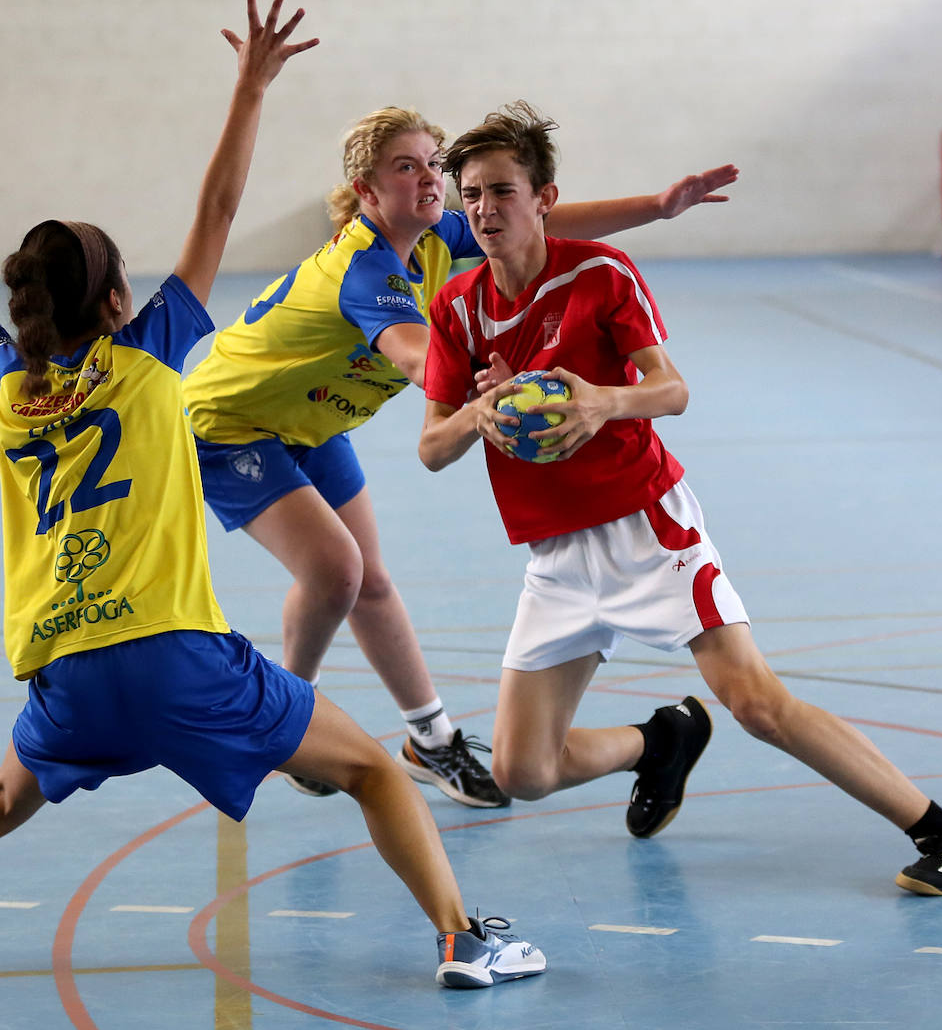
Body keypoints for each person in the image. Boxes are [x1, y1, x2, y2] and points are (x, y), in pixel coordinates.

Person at [0, 0, 546, 992]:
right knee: (368, 767)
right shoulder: (150, 355)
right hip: (173, 656)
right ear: (116, 302)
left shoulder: (10, 385)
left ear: (26, 310)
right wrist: (250, 85)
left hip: (65, 672)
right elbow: (219, 210)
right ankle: (462, 937)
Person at [417, 101, 942, 896]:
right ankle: (660, 741)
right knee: (522, 769)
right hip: (554, 554)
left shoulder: (599, 274)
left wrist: (600, 400)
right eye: (472, 194)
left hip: (645, 526)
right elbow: (431, 446)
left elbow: (672, 389)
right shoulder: (456, 307)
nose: (485, 209)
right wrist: (478, 415)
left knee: (757, 703)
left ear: (544, 196)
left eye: (503, 190)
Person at [182, 103, 739, 807]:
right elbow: (425, 362)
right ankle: (292, 725)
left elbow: (544, 220)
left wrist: (656, 208)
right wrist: (495, 382)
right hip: (231, 423)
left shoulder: (438, 235)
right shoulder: (367, 268)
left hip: (311, 423)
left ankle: (431, 739)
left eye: (432, 165)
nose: (429, 180)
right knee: (336, 570)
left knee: (368, 582)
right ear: (367, 190)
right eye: (404, 167)